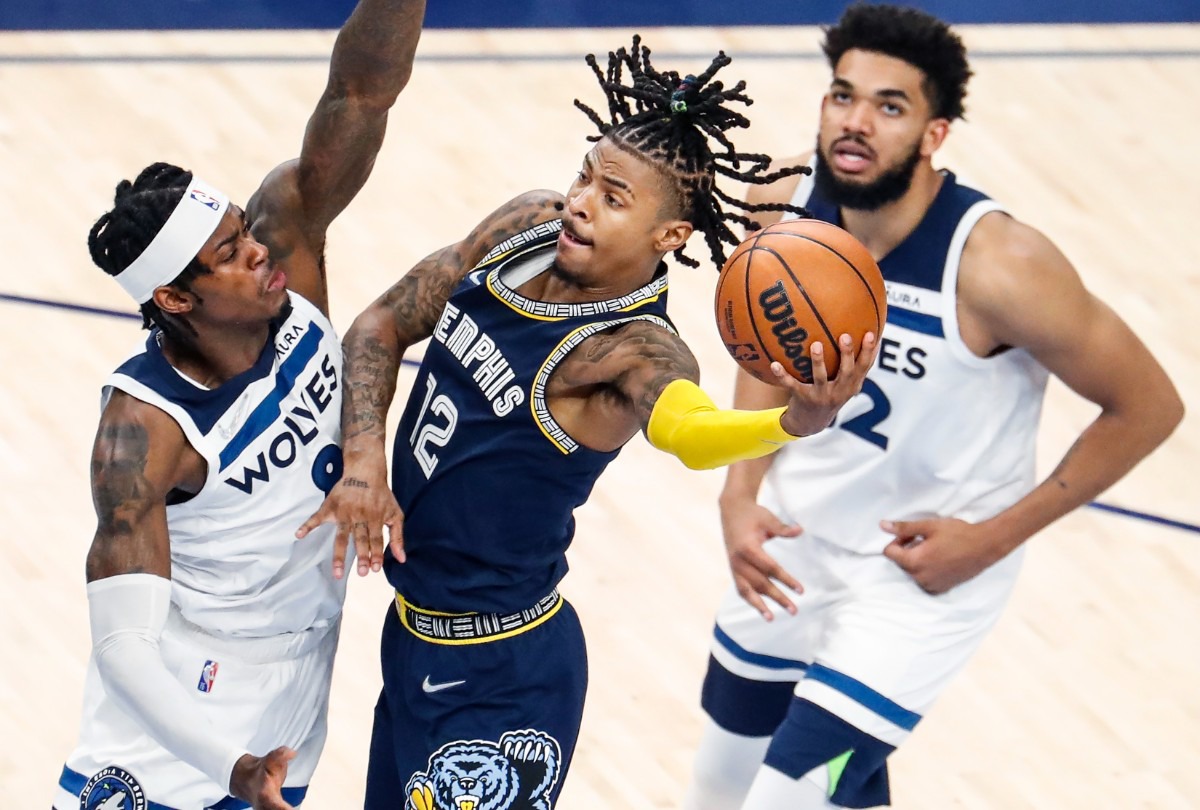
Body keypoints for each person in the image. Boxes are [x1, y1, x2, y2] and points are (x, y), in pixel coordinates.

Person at [294, 37, 877, 809]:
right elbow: (378, 326)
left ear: (669, 238)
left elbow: (690, 434)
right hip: (412, 639)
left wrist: (794, 422)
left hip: (503, 678)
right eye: (585, 175)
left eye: (613, 197)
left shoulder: (633, 350)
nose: (579, 201)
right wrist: (365, 459)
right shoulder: (522, 228)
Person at [681, 4, 1185, 809]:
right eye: (842, 96)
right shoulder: (781, 199)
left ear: (935, 133)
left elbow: (1150, 407)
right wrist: (740, 493)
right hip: (795, 540)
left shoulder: (1000, 265)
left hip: (924, 573)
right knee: (717, 788)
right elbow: (767, 355)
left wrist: (989, 541)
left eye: (890, 106)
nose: (855, 122)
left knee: (790, 801)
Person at [53, 2, 425, 809]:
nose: (257, 248)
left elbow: (361, 93)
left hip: (299, 682)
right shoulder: (143, 428)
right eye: (228, 253)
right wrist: (229, 765)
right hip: (178, 715)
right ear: (175, 298)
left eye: (240, 231)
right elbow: (123, 648)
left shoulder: (285, 257)